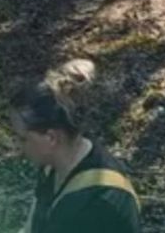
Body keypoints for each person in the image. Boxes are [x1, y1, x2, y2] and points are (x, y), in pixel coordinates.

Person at [10, 59, 140, 233]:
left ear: (51, 138)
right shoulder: (53, 166)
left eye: (22, 139)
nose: (17, 146)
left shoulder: (98, 204)